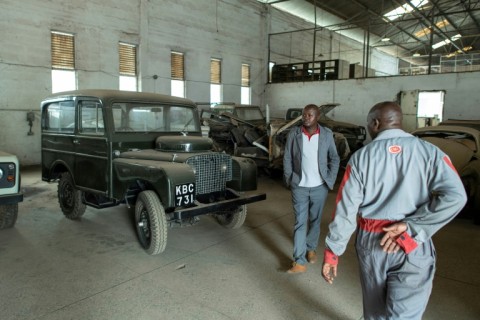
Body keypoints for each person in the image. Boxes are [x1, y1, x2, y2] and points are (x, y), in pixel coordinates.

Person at [321, 101, 467, 319]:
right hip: (413, 244)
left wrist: (333, 253)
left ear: (375, 123)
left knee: (375, 311)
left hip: (372, 243)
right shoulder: (431, 153)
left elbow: (345, 210)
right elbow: (456, 196)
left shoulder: (361, 158)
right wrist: (413, 228)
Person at [283, 104, 340, 273]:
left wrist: (330, 179)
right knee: (300, 223)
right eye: (304, 115)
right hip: (299, 186)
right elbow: (287, 157)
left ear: (318, 117)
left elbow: (335, 158)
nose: (306, 118)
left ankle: (311, 249)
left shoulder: (326, 135)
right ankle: (299, 261)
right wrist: (290, 178)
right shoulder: (294, 134)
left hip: (319, 187)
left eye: (310, 115)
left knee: (315, 220)